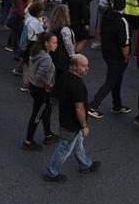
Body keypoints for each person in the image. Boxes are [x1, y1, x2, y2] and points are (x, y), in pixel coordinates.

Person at [42, 54, 100, 182]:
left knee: (78, 143)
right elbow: (79, 108)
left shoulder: (66, 75)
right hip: (71, 123)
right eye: (83, 66)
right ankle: (51, 172)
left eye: (87, 65)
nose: (87, 68)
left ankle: (85, 164)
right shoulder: (76, 84)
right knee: (64, 148)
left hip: (67, 119)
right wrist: (84, 126)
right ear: (74, 66)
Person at [89, 0, 132, 117]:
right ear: (124, 6)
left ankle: (117, 104)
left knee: (117, 78)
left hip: (107, 52)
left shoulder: (107, 16)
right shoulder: (122, 21)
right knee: (111, 81)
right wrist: (126, 57)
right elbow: (125, 42)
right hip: (118, 56)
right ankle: (93, 105)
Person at [22, 31, 58, 151]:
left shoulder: (36, 52)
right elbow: (40, 76)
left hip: (33, 86)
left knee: (47, 110)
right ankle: (28, 142)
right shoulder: (46, 58)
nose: (56, 45)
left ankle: (48, 135)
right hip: (41, 91)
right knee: (37, 115)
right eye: (54, 43)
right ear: (46, 43)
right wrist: (49, 85)